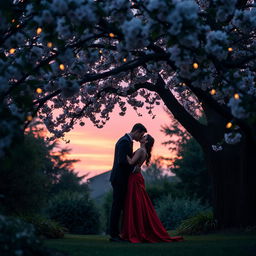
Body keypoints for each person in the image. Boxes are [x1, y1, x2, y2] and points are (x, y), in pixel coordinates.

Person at [120, 134, 184, 243]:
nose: (142, 137)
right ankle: (135, 229)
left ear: (146, 141)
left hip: (134, 178)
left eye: (144, 137)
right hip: (136, 177)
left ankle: (136, 230)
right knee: (137, 203)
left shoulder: (141, 150)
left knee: (135, 203)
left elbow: (131, 162)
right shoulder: (143, 151)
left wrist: (122, 153)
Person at [109, 123, 147, 242]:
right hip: (120, 179)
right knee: (117, 206)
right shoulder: (125, 142)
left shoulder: (127, 141)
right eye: (141, 134)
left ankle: (121, 233)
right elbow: (122, 161)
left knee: (122, 206)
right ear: (137, 131)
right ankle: (114, 235)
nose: (141, 136)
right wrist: (134, 169)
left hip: (122, 178)